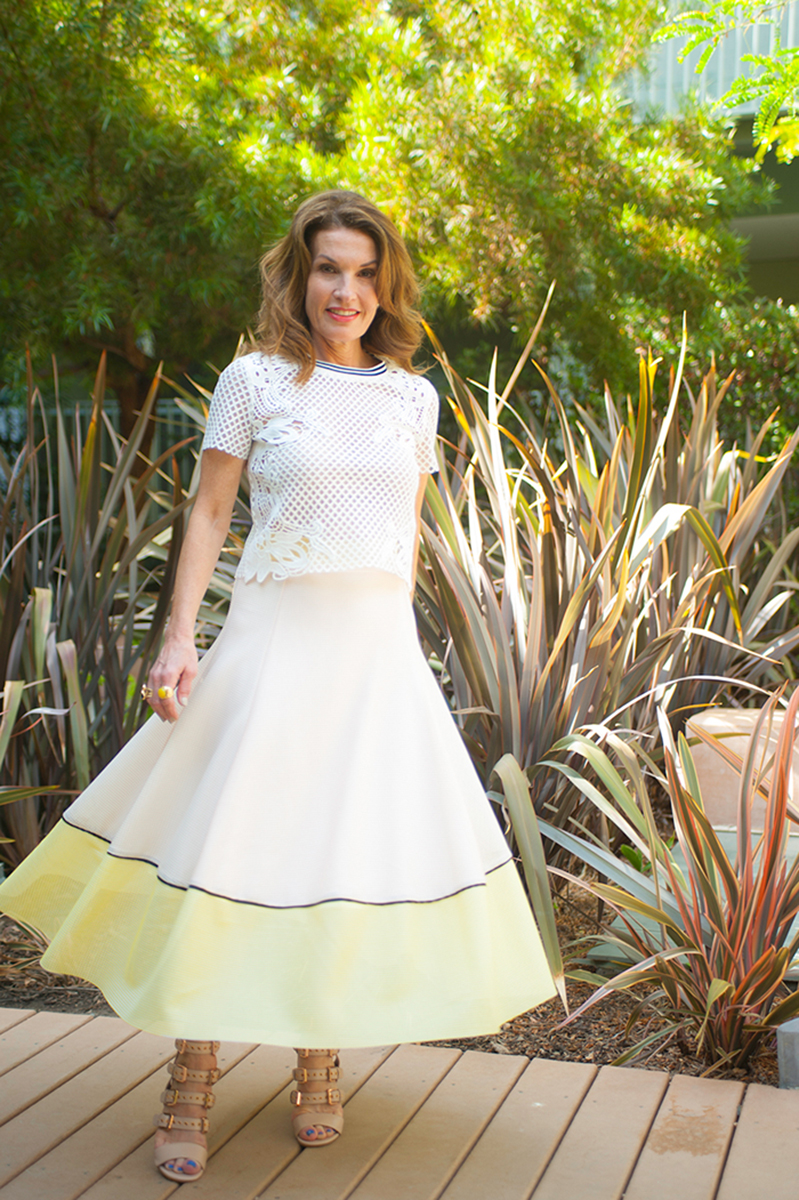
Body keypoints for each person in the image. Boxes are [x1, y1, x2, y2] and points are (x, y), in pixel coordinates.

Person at [0, 190, 556, 1183]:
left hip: (371, 658)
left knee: (334, 851)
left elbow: (402, 536)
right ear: (298, 277)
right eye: (327, 268)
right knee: (236, 849)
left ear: (385, 285)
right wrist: (179, 639)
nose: (344, 289)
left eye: (362, 271)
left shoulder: (411, 398)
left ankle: (317, 1056)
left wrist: (403, 651)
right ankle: (193, 1071)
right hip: (269, 643)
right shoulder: (254, 381)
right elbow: (210, 513)